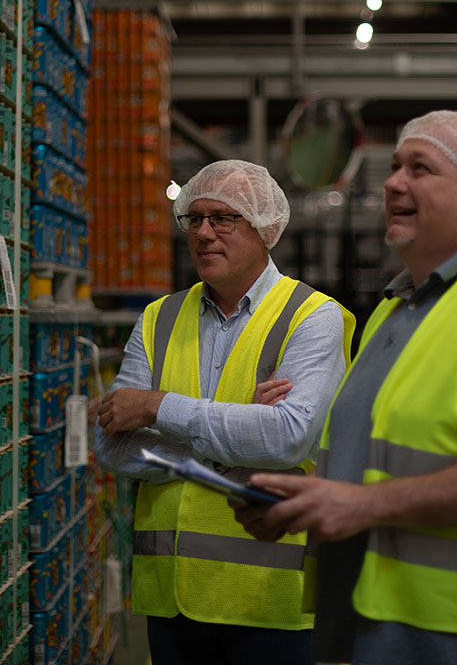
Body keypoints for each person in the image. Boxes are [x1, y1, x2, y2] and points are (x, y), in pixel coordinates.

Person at [233, 110, 457, 665]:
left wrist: (360, 504)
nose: (392, 182)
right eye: (395, 166)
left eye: (421, 168)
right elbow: (388, 461)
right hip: (382, 626)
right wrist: (305, 502)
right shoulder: (396, 311)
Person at [94, 159, 356, 665]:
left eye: (223, 219)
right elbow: (111, 443)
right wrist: (238, 431)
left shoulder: (312, 317)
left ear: (266, 229)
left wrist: (156, 407)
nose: (204, 233)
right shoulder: (159, 318)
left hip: (266, 597)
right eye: (194, 219)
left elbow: (287, 438)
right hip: (169, 601)